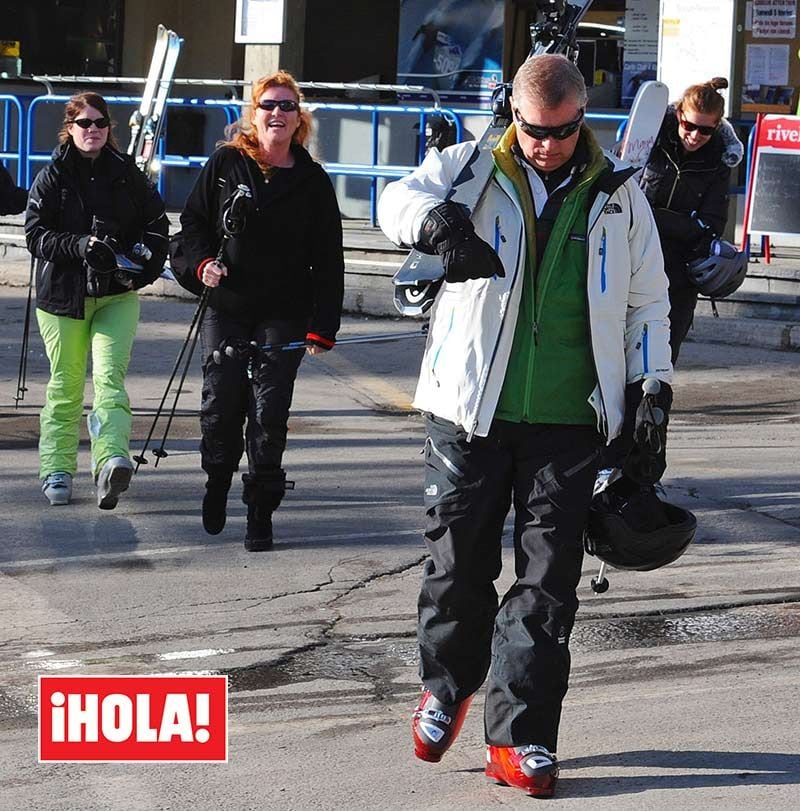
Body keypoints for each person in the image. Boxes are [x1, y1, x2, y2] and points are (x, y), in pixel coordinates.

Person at [378, 54, 673, 798]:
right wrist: (437, 221)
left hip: (570, 421)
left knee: (548, 586)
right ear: (515, 115)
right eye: (534, 130)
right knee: (456, 567)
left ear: (584, 119)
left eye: (563, 131)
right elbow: (394, 201)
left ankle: (523, 739)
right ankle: (446, 686)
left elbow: (648, 300)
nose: (546, 145)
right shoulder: (471, 166)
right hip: (467, 410)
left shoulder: (618, 195)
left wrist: (652, 388)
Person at [179, 70, 344, 552]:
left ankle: (259, 509)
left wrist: (323, 326)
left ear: (300, 119)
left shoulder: (312, 181)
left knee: (269, 413)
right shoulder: (227, 163)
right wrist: (202, 264)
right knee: (221, 402)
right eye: (268, 105)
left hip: (285, 311)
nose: (277, 114)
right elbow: (191, 225)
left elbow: (329, 257)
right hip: (228, 306)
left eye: (287, 106)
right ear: (254, 114)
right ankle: (216, 479)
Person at [25, 92, 169, 509]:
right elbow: (36, 235)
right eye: (84, 123)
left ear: (110, 129)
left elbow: (157, 223)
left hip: (115, 295)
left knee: (110, 381)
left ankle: (111, 462)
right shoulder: (53, 175)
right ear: (69, 128)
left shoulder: (127, 173)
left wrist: (144, 264)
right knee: (66, 386)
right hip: (63, 298)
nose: (93, 131)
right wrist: (82, 245)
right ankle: (56, 467)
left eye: (101, 124)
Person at [639, 77, 743, 364]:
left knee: (664, 353)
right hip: (636, 258)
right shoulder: (652, 140)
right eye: (690, 126)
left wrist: (654, 216)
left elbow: (710, 225)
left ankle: (656, 407)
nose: (696, 136)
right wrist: (682, 223)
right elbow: (627, 196)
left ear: (717, 126)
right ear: (679, 115)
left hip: (679, 271)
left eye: (706, 130)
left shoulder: (718, 160)